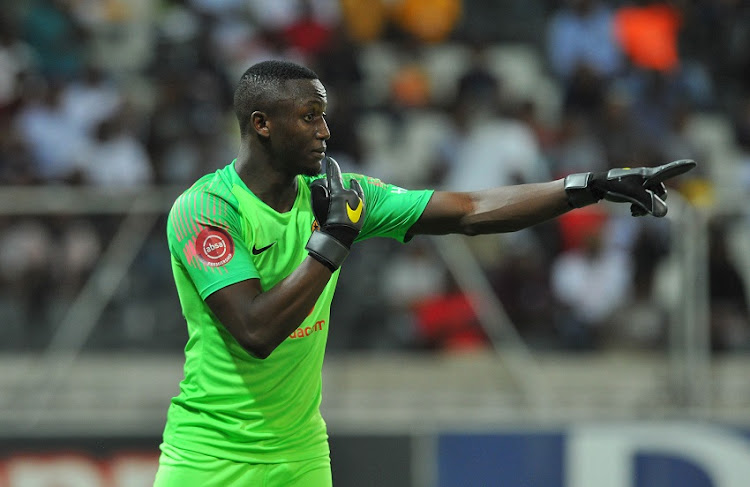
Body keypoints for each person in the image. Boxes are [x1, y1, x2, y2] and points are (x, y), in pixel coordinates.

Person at [153, 59, 695, 486]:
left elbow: (469, 210)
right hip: (210, 457)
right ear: (262, 125)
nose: (325, 129)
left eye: (324, 114)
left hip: (300, 454)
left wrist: (586, 187)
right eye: (309, 116)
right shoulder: (207, 210)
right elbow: (255, 331)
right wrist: (335, 239)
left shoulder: (339, 199)